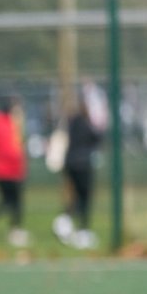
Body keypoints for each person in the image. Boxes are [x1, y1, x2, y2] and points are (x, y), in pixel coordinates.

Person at [53, 100, 102, 250]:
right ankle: (82, 230)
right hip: (82, 165)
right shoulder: (86, 125)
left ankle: (65, 220)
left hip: (71, 164)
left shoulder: (72, 123)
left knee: (76, 196)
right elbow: (97, 138)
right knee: (84, 197)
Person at [0, 97, 27, 247]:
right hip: (10, 171)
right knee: (15, 202)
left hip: (2, 170)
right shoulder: (7, 125)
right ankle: (15, 231)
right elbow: (11, 150)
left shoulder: (0, 124)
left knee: (7, 202)